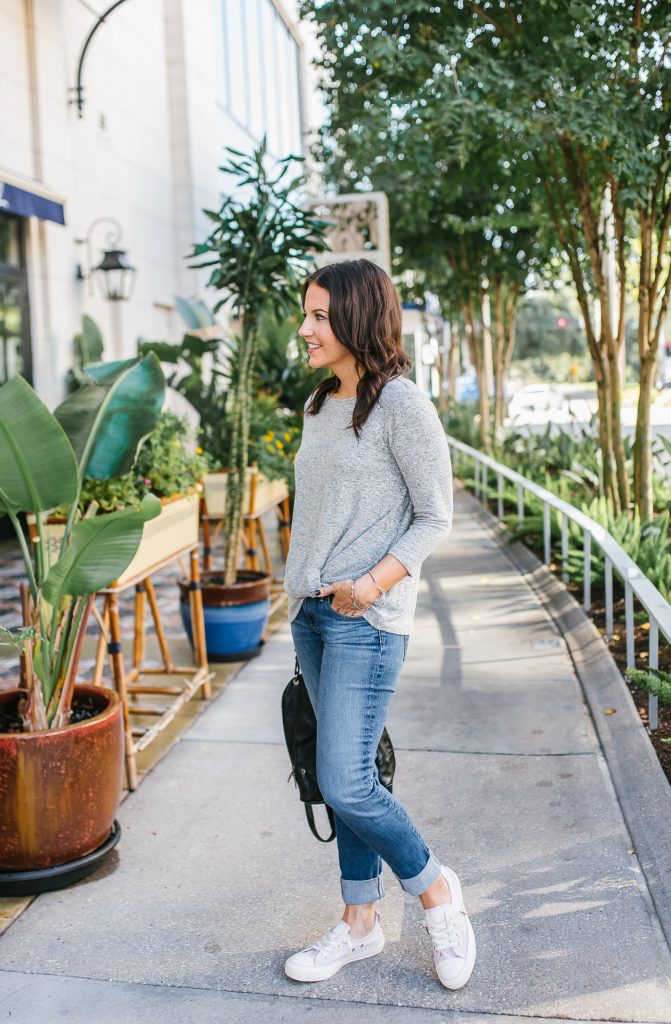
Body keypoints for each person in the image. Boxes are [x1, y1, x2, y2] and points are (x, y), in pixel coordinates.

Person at [282, 259, 476, 990]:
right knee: (342, 779)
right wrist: (298, 589)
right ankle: (359, 924)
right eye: (304, 313)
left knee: (346, 780)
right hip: (312, 614)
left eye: (318, 317)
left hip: (368, 619)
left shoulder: (401, 405)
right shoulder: (319, 403)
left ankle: (433, 893)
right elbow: (318, 513)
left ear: (358, 320)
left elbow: (435, 515)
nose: (303, 329)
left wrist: (368, 584)